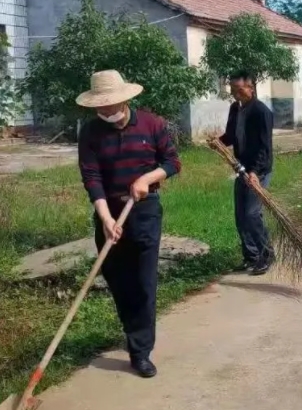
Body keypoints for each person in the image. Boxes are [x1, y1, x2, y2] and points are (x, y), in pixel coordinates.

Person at [76, 70, 181, 378]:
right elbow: (91, 176)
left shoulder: (153, 124)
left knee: (144, 284)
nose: (105, 111)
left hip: (144, 211)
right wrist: (106, 217)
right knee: (119, 281)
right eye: (100, 106)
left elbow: (172, 162)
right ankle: (132, 330)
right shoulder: (91, 132)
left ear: (126, 100)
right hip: (109, 212)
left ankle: (140, 351)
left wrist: (147, 178)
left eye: (110, 105)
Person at [219, 70, 275, 276]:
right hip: (241, 168)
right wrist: (218, 142)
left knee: (252, 214)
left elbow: (264, 147)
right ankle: (251, 256)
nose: (235, 93)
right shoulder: (235, 109)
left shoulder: (262, 112)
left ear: (251, 88)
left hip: (258, 171)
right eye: (232, 90)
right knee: (241, 216)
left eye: (239, 89)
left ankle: (266, 254)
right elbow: (231, 135)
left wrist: (254, 172)